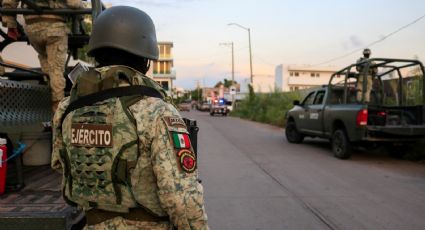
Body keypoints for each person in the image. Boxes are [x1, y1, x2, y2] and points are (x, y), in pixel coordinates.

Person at [51, 6, 209, 230]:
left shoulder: (67, 107)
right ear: (146, 59)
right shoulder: (156, 110)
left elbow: (61, 165)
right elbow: (182, 200)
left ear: (96, 53)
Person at [1, 0, 83, 112]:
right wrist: (81, 11)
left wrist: (11, 24)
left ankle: (49, 98)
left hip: (33, 30)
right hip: (54, 27)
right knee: (56, 69)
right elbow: (75, 4)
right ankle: (58, 109)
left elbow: (9, 1)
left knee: (48, 67)